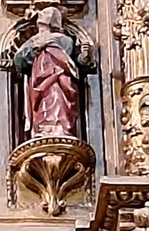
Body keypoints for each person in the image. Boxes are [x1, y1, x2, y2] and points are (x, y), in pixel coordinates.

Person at [11, 8, 91, 140]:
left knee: (57, 98)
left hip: (59, 77)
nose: (42, 15)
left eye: (47, 14)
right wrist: (36, 48)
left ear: (53, 21)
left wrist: (85, 57)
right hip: (40, 78)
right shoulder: (33, 40)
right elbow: (19, 61)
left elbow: (75, 62)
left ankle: (62, 129)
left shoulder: (64, 40)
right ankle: (43, 129)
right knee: (44, 104)